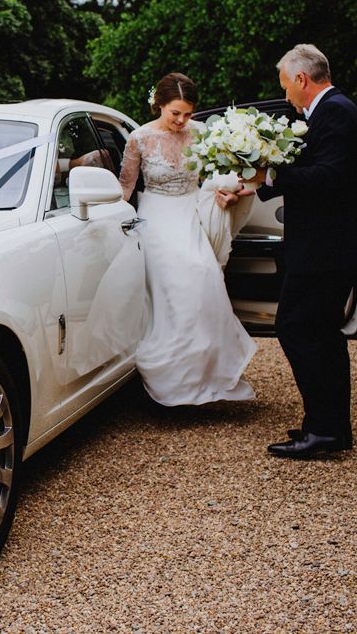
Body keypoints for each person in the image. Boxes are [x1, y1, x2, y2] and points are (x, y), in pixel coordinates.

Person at [229, 44, 357, 458]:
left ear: (302, 79)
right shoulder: (324, 112)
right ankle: (329, 428)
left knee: (299, 329)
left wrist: (273, 173)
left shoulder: (335, 111)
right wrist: (267, 178)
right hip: (322, 247)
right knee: (321, 334)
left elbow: (331, 176)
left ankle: (325, 431)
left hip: (326, 249)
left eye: (285, 86)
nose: (285, 95)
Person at [118, 72, 256, 406]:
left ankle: (206, 376)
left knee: (207, 280)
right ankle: (173, 382)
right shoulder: (139, 138)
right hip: (157, 216)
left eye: (187, 113)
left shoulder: (203, 134)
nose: (181, 120)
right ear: (159, 105)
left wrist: (230, 196)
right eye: (174, 113)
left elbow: (216, 178)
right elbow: (125, 188)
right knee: (180, 288)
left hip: (192, 213)